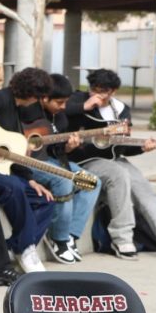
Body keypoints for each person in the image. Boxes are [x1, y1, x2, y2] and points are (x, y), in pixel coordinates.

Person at [67, 69, 156, 262]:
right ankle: (122, 239)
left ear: (113, 91)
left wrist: (142, 148)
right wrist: (84, 106)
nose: (97, 94)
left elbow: (121, 148)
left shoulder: (121, 110)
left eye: (103, 91)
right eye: (93, 89)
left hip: (115, 159)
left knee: (144, 188)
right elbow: (61, 112)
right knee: (118, 174)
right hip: (85, 160)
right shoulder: (77, 100)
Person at [0, 67, 55, 273]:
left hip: (1, 170)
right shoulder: (1, 98)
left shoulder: (18, 110)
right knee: (12, 187)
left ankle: (18, 247)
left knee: (44, 199)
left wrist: (29, 178)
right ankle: (27, 251)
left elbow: (12, 147)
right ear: (33, 95)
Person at [30, 74, 102, 263]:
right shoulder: (28, 111)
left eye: (66, 102)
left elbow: (56, 149)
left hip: (52, 161)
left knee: (92, 182)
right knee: (64, 179)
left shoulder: (59, 118)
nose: (63, 107)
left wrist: (68, 147)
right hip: (29, 163)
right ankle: (58, 239)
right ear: (44, 97)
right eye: (59, 102)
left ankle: (70, 235)